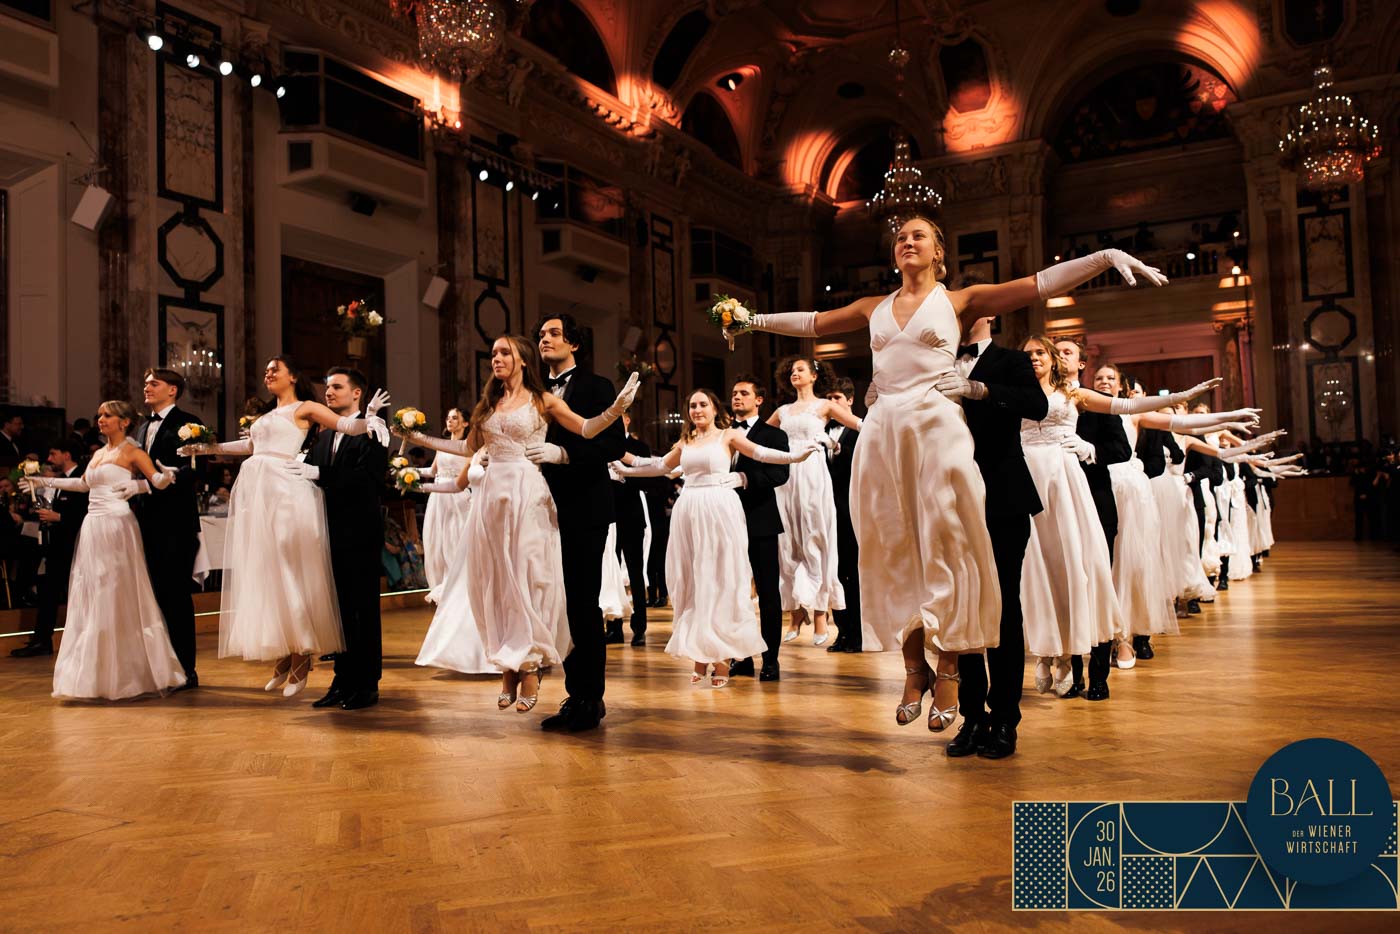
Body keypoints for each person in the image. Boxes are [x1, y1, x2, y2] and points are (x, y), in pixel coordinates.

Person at [728, 221, 1169, 731]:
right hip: (885, 432)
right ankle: (913, 667)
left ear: (939, 251)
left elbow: (1040, 283)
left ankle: (950, 669)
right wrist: (748, 320)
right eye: (900, 237)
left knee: (949, 547)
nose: (906, 242)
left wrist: (1105, 256)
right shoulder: (872, 307)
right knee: (891, 548)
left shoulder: (961, 300)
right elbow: (812, 322)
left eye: (918, 236)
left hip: (936, 428)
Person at [396, 334, 639, 718]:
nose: (496, 358)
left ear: (522, 359)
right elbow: (467, 448)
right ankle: (508, 664)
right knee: (496, 581)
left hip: (528, 495)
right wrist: (418, 438)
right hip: (492, 499)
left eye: (504, 352)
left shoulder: (544, 401)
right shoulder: (487, 405)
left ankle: (530, 664)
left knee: (528, 577)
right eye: (493, 353)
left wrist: (616, 409)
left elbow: (587, 429)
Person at [178, 356, 389, 698]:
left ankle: (303, 650)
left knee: (291, 569)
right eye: (266, 370)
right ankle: (286, 649)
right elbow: (250, 446)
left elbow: (347, 426)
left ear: (293, 376)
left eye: (275, 369)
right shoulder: (266, 416)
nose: (268, 374)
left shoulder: (307, 407)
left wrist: (371, 419)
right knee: (269, 569)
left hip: (286, 491)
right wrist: (207, 448)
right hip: (261, 493)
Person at [614, 389, 818, 686]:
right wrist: (623, 465)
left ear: (714, 408)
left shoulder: (729, 436)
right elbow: (659, 466)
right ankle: (701, 654)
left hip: (720, 510)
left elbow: (762, 454)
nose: (697, 409)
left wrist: (796, 457)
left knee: (722, 580)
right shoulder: (685, 441)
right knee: (696, 582)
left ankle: (722, 658)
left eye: (703, 404)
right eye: (692, 405)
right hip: (689, 511)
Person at [936, 315, 1047, 759]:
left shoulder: (1011, 360)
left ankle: (1004, 718)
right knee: (961, 608)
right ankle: (971, 717)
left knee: (1003, 610)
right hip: (949, 499)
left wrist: (980, 390)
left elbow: (1036, 405)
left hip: (1002, 495)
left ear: (988, 316)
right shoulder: (935, 362)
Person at [20, 400, 184, 700]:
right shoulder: (98, 453)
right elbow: (84, 485)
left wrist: (158, 480)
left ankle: (127, 674)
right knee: (92, 592)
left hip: (117, 525)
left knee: (115, 591)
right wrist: (44, 480)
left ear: (124, 422)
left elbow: (158, 482)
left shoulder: (133, 451)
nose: (101, 419)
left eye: (108, 415)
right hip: (93, 526)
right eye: (99, 415)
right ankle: (96, 674)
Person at [534, 315, 632, 732]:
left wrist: (565, 455)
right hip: (539, 509)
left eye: (554, 334)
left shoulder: (597, 386)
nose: (545, 339)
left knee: (582, 603)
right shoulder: (533, 392)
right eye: (541, 335)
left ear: (574, 343)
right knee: (556, 602)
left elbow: (613, 444)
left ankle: (589, 699)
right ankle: (574, 695)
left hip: (584, 507)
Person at [292, 367, 392, 711]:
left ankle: (367, 684)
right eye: (327, 387)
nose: (329, 392)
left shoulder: (373, 428)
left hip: (359, 531)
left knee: (363, 609)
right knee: (338, 611)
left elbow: (368, 478)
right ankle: (342, 680)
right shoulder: (322, 437)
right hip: (327, 531)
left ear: (357, 393)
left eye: (336, 386)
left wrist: (320, 473)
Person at [767, 355, 860, 645]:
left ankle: (821, 612)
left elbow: (860, 425)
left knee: (816, 537)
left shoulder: (825, 406)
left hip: (813, 474)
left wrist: (833, 443)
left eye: (800, 369)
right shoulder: (782, 411)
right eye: (792, 370)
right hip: (787, 475)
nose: (794, 373)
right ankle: (795, 612)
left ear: (814, 375)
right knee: (788, 541)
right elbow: (759, 436)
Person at [132, 368, 204, 687]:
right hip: (143, 522)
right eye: (146, 384)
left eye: (154, 384)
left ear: (172, 390)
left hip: (175, 523)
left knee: (175, 597)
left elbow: (197, 469)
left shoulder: (190, 423)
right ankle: (161, 668)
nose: (146, 388)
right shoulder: (142, 426)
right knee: (151, 597)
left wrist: (169, 478)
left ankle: (186, 669)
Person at [726, 376, 791, 681]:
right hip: (726, 520)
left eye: (744, 393)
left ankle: (770, 659)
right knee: (733, 591)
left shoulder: (773, 435)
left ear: (759, 400)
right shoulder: (722, 433)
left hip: (760, 520)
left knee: (767, 592)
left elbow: (780, 474)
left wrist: (746, 479)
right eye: (734, 393)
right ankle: (741, 657)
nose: (737, 397)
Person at [10, 442, 89, 658]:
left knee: (72, 593)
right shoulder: (60, 480)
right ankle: (41, 640)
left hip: (77, 546)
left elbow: (90, 511)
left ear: (67, 454)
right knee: (47, 591)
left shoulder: (82, 477)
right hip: (57, 545)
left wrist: (59, 517)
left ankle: (75, 642)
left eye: (54, 454)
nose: (49, 459)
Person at [823, 377, 862, 654]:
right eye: (828, 399)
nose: (831, 403)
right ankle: (842, 632)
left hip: (851, 511)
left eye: (836, 398)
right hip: (826, 511)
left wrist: (837, 448)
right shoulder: (819, 430)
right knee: (834, 573)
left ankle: (858, 634)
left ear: (849, 400)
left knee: (853, 573)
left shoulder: (860, 429)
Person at [421, 408, 472, 604]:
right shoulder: (441, 446)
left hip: (457, 496)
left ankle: (458, 586)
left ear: (465, 423)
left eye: (455, 418)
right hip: (438, 497)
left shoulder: (467, 446)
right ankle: (442, 586)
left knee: (455, 540)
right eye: (448, 417)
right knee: (437, 541)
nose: (449, 421)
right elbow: (432, 471)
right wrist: (409, 472)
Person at [612, 412, 651, 646]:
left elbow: (648, 480)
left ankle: (639, 628)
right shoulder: (603, 446)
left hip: (631, 515)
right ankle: (614, 626)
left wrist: (625, 475)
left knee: (636, 573)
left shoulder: (639, 447)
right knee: (610, 572)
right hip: (607, 517)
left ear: (627, 420)